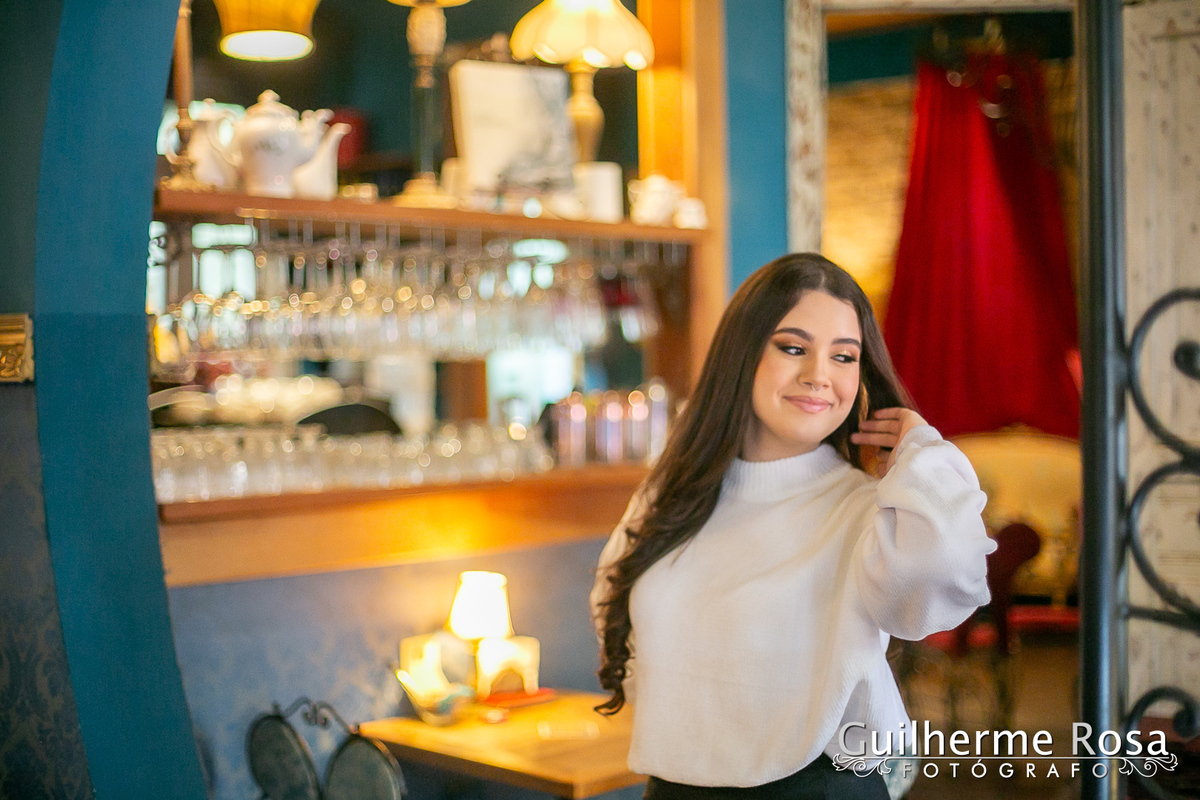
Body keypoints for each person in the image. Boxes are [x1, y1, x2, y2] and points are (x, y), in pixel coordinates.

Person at [589, 253, 997, 799]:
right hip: (674, 787)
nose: (819, 376)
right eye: (793, 348)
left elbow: (947, 587)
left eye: (844, 356)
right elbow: (613, 605)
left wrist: (923, 456)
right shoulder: (672, 495)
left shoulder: (865, 510)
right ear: (742, 354)